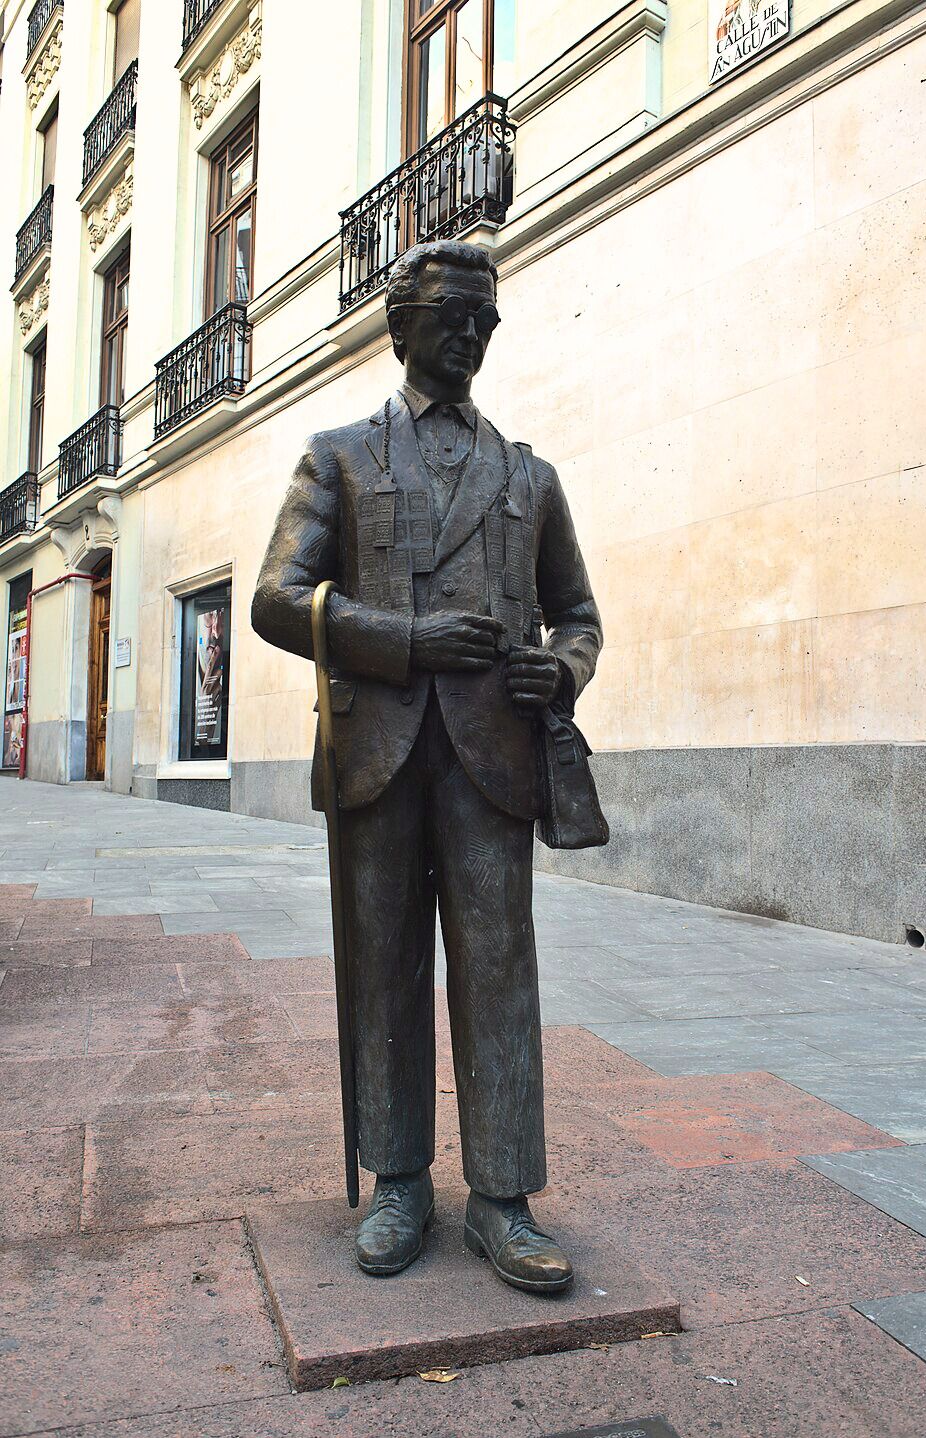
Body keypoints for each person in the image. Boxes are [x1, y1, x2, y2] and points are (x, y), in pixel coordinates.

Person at [252, 239, 601, 1294]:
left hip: (494, 756)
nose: (472, 334)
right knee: (386, 965)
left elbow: (578, 615)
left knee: (499, 968)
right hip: (380, 755)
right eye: (453, 315)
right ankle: (399, 1180)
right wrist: (404, 640)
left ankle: (503, 1194)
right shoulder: (340, 457)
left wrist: (559, 669)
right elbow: (275, 600)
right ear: (401, 326)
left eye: (486, 319)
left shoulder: (529, 476)